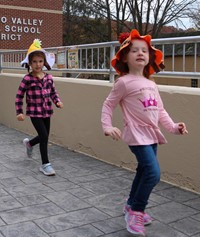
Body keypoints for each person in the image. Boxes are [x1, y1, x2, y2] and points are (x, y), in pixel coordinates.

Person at [101, 29, 188, 236]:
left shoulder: (151, 83)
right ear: (124, 56)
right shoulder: (123, 82)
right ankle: (136, 211)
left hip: (151, 135)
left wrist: (174, 127)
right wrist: (107, 126)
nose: (140, 53)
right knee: (153, 173)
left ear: (149, 57)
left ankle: (131, 204)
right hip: (136, 134)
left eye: (144, 51)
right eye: (134, 50)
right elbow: (108, 105)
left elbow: (160, 111)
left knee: (143, 171)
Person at [15, 39, 63, 176]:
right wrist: (19, 112)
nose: (38, 64)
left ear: (44, 62)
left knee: (44, 136)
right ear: (29, 63)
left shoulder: (49, 78)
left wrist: (57, 101)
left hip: (47, 111)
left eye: (40, 61)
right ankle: (45, 164)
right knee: (44, 136)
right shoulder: (27, 79)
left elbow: (53, 93)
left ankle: (29, 144)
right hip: (34, 112)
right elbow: (19, 96)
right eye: (34, 61)